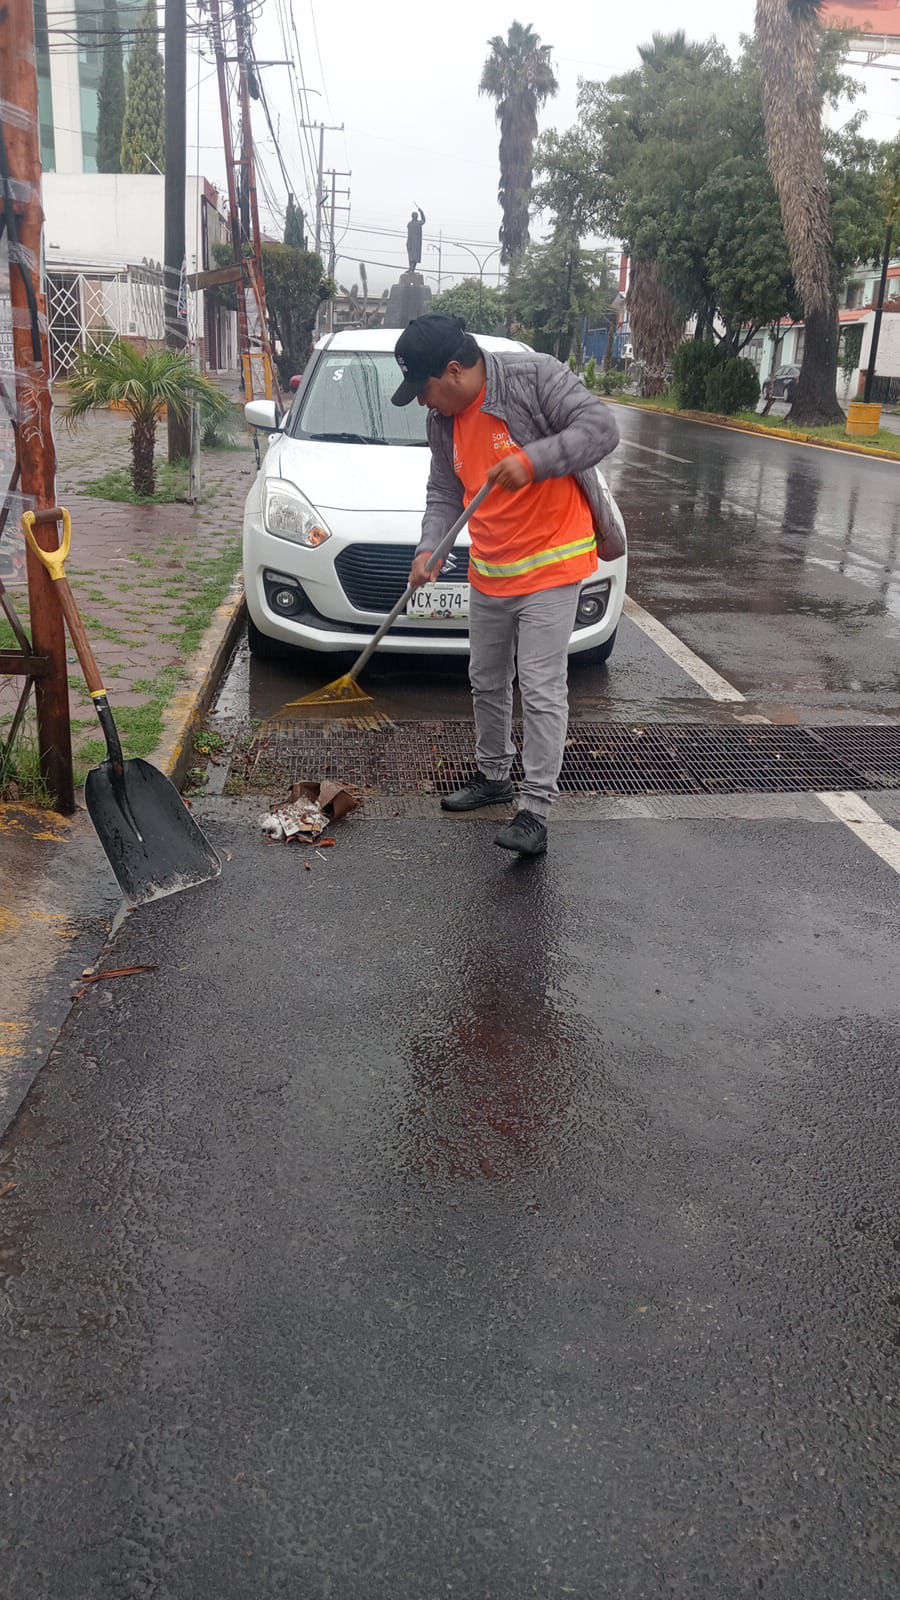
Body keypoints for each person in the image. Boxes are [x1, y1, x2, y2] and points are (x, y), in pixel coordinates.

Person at [392, 313, 619, 858]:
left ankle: (535, 809)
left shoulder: (532, 378)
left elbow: (600, 429)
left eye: (424, 388)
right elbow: (444, 492)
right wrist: (429, 548)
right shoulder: (442, 421)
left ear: (453, 371)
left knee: (539, 687)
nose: (422, 401)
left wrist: (533, 461)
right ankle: (494, 776)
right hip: (492, 567)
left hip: (552, 562)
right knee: (486, 679)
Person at [406, 207, 426, 273]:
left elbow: (424, 220)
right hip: (410, 242)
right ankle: (411, 268)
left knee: (415, 257)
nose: (415, 217)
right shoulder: (410, 224)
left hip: (417, 242)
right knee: (411, 256)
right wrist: (408, 242)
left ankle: (412, 269)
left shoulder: (418, 223)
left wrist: (421, 212)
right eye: (414, 216)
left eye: (416, 216)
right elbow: (408, 234)